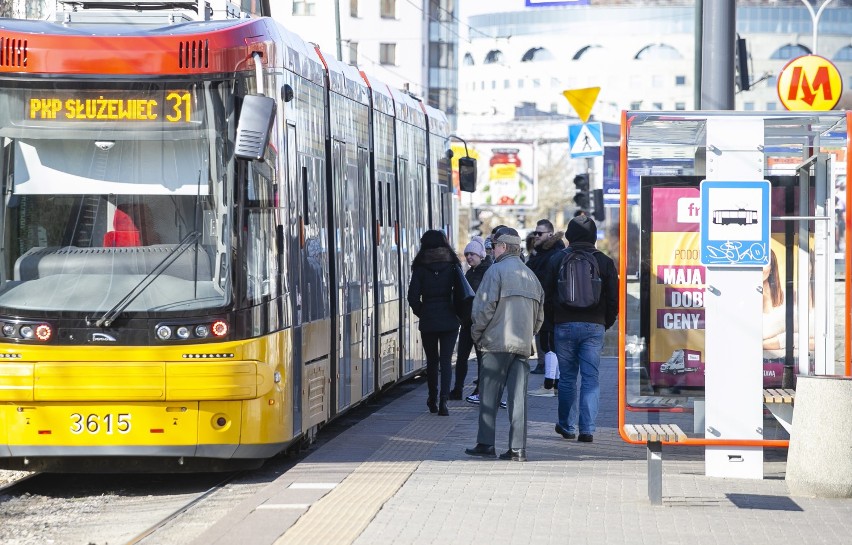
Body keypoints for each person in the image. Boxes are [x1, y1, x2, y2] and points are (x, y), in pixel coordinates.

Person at [465, 227, 544, 462]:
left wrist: (476, 335)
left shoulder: (495, 271)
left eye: (494, 246)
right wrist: (528, 334)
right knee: (518, 399)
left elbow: (483, 308)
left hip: (495, 343)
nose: (492, 250)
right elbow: (539, 316)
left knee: (489, 396)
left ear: (502, 247)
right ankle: (518, 449)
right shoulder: (531, 276)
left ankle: (486, 444)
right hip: (521, 346)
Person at [543, 215, 618, 443]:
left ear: (569, 235)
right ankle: (587, 429)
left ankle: (567, 426)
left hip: (563, 325)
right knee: (591, 378)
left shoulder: (557, 259)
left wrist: (550, 324)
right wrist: (605, 321)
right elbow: (614, 298)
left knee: (566, 378)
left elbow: (545, 296)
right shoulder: (604, 261)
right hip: (594, 325)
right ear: (594, 236)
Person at [407, 229, 461, 416]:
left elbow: (412, 296)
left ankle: (432, 398)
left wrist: (423, 312)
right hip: (450, 318)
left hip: (429, 319)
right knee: (446, 360)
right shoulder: (453, 264)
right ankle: (444, 401)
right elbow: (462, 292)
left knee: (432, 361)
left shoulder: (420, 267)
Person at [449, 235, 491, 400]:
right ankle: (458, 389)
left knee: (482, 358)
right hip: (467, 323)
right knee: (461, 357)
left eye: (472, 254)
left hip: (481, 323)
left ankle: (479, 390)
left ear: (481, 255)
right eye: (467, 254)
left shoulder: (488, 272)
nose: (469, 257)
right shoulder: (469, 272)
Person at [525, 219, 565, 385]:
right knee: (546, 342)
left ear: (550, 234)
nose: (536, 236)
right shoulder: (541, 252)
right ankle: (551, 382)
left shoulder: (554, 253)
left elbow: (545, 280)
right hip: (544, 303)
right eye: (535, 232)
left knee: (550, 343)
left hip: (550, 304)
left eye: (539, 233)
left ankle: (551, 382)